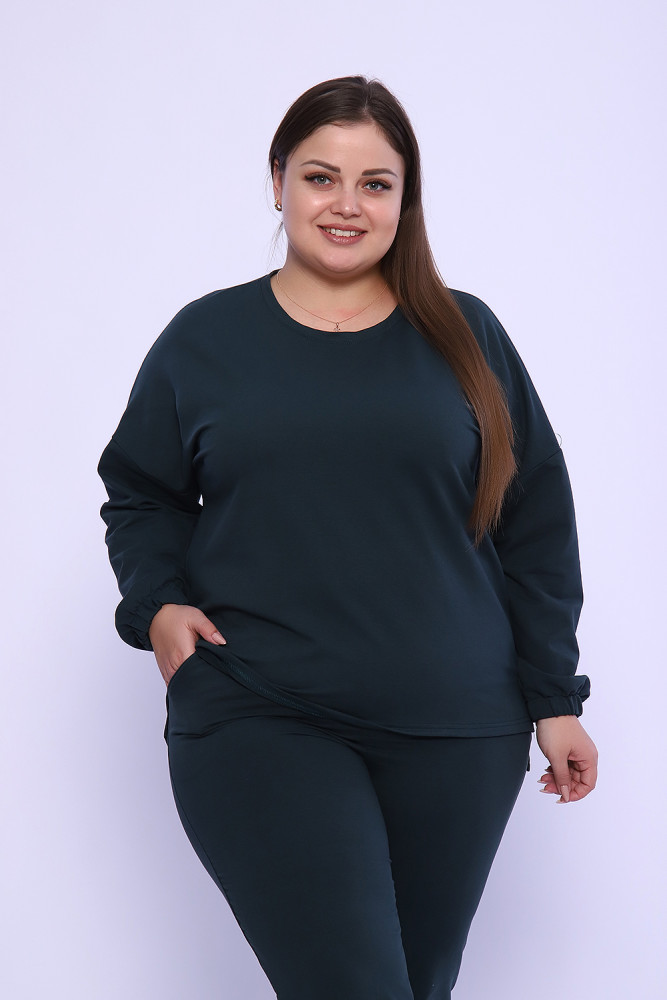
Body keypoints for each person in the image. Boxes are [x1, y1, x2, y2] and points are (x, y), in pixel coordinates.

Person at [98, 75, 598, 1000]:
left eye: (375, 183)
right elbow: (141, 493)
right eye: (321, 176)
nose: (346, 204)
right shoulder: (204, 339)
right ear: (277, 181)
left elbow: (534, 524)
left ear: (405, 200)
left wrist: (552, 697)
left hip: (457, 727)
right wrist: (158, 604)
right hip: (260, 707)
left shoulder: (466, 335)